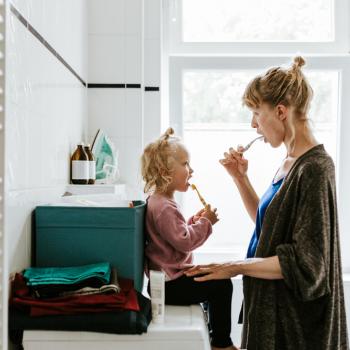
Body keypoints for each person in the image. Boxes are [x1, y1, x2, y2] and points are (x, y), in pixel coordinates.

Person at [186, 56, 349, 350]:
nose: (253, 125)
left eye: (256, 113)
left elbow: (309, 265)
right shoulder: (289, 163)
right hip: (270, 310)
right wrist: (240, 179)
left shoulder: (315, 168)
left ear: (281, 111)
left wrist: (234, 266)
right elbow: (270, 230)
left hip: (297, 327)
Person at [141, 128, 238, 350]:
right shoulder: (164, 206)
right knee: (222, 285)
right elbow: (184, 241)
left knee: (215, 280)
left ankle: (215, 335)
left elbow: (173, 234)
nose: (191, 170)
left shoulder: (159, 201)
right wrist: (206, 223)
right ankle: (221, 343)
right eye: (185, 164)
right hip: (172, 285)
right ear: (165, 170)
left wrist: (194, 220)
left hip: (167, 283)